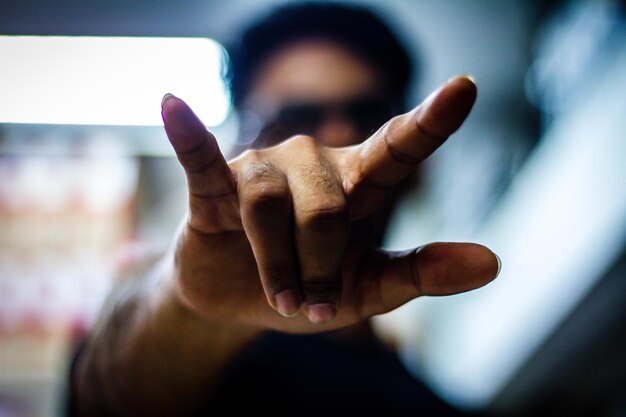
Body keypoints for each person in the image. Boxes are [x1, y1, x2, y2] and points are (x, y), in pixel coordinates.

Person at [69, 3, 500, 416]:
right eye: (296, 120)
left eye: (369, 117)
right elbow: (110, 396)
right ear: (242, 154)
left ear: (420, 167)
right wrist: (193, 310)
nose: (334, 142)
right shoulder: (195, 368)